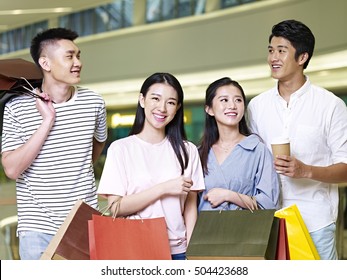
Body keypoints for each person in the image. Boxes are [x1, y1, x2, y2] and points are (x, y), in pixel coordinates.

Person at [1, 28, 107, 260]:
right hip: (37, 228)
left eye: (78, 55)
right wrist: (47, 121)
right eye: (69, 56)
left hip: (84, 224)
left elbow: (96, 146)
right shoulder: (17, 108)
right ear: (45, 63)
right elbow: (11, 169)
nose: (78, 62)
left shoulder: (94, 103)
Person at [247, 19, 347, 260]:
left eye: (282, 51)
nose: (273, 58)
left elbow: (345, 169)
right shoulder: (256, 106)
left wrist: (305, 171)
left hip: (315, 223)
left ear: (302, 58)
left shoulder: (330, 105)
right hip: (266, 223)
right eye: (271, 50)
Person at [97, 72, 205, 260]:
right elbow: (115, 208)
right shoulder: (121, 149)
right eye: (155, 98)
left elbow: (190, 208)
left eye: (171, 102)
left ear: (178, 107)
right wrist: (163, 188)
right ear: (142, 100)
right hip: (134, 247)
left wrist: (192, 251)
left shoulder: (188, 151)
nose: (162, 108)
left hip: (178, 251)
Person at [198, 77, 279, 212]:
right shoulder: (199, 153)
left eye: (238, 100)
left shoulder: (257, 150)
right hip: (204, 231)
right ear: (209, 109)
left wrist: (228, 195)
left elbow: (270, 203)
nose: (232, 106)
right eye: (224, 100)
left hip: (245, 231)